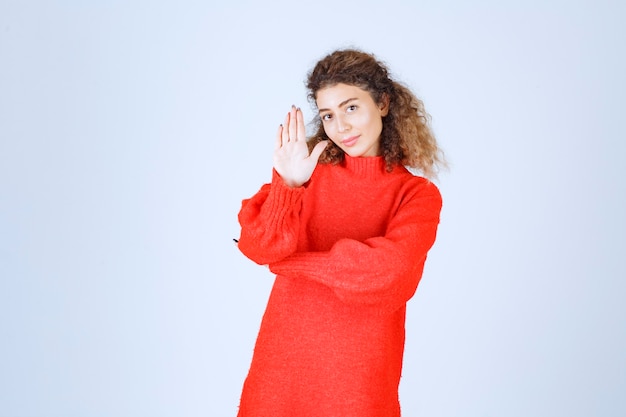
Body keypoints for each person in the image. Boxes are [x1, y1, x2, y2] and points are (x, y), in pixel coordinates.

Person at [234, 48, 445, 417]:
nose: (340, 127)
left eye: (351, 108)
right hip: (282, 368)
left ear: (382, 103)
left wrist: (295, 265)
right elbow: (257, 246)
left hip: (360, 377)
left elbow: (388, 275)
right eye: (328, 115)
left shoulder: (416, 195)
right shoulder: (306, 176)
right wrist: (287, 184)